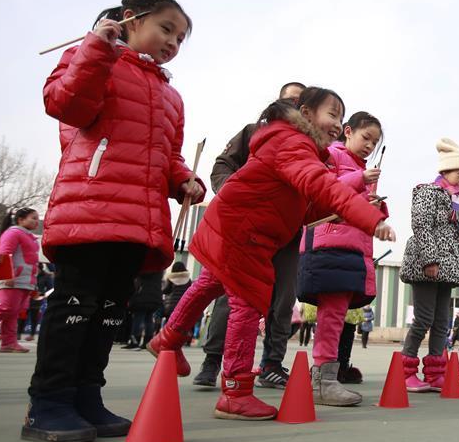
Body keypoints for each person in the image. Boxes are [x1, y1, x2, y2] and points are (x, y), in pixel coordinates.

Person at [22, 0, 203, 442]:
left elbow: (168, 154)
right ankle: (49, 401)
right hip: (89, 211)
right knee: (75, 308)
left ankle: (86, 396)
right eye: (166, 28)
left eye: (180, 38)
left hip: (138, 220)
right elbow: (67, 105)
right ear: (130, 19)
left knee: (108, 314)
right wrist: (96, 50)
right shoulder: (90, 58)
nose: (173, 43)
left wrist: (182, 180)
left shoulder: (170, 95)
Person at [149, 89, 395, 421]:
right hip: (244, 231)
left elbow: (309, 205)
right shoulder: (293, 143)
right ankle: (235, 391)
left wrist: (358, 211)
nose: (337, 124)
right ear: (306, 113)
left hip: (237, 226)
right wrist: (370, 219)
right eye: (333, 115)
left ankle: (168, 338)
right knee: (248, 303)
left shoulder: (300, 146)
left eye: (340, 117)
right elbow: (321, 186)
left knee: (210, 284)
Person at [194, 81, 307, 391]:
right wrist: (235, 194)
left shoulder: (310, 146)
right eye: (291, 100)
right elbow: (223, 165)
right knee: (229, 297)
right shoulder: (253, 132)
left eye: (303, 102)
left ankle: (272, 363)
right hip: (244, 230)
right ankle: (212, 359)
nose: (296, 106)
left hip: (284, 234)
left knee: (283, 298)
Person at [296, 110, 386, 404]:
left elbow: (359, 210)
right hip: (330, 244)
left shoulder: (363, 172)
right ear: (347, 131)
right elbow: (324, 193)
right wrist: (360, 179)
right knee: (332, 316)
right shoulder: (331, 156)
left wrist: (378, 209)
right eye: (366, 138)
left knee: (336, 316)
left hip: (351, 248)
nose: (369, 146)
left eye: (374, 142)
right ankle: (323, 380)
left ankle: (325, 377)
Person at [399, 138, 459, 392]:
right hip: (428, 262)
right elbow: (421, 225)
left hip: (449, 266)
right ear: (445, 170)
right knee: (423, 318)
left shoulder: (457, 199)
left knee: (442, 322)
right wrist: (430, 259)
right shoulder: (428, 192)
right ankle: (406, 371)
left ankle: (434, 373)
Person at [0, 208, 40, 353]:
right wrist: (7, 275)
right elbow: (5, 254)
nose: (36, 221)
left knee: (14, 312)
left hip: (24, 280)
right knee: (7, 308)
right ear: (20, 219)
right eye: (33, 218)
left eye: (37, 218)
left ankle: (8, 343)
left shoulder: (30, 237)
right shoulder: (13, 233)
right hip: (11, 278)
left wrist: (33, 282)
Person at [125, 272, 163, 349]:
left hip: (142, 296)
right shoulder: (159, 270)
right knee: (149, 319)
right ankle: (147, 342)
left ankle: (135, 341)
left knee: (138, 318)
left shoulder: (146, 270)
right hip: (155, 297)